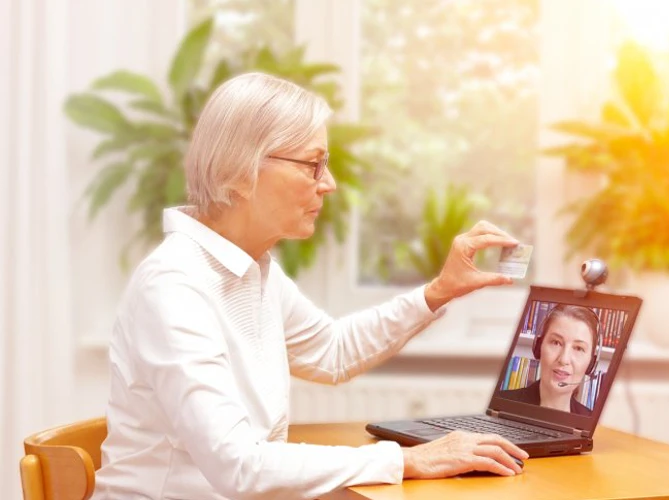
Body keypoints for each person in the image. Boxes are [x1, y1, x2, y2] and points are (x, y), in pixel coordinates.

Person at [92, 72, 529, 500]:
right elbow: (237, 466)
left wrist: (440, 290)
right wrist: (405, 461)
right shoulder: (174, 286)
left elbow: (332, 351)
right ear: (241, 168)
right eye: (312, 163)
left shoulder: (252, 269)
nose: (329, 183)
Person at [504, 305, 598, 416]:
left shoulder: (593, 426)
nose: (564, 359)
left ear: (591, 363)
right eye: (556, 342)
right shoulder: (500, 405)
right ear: (539, 347)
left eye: (578, 348)